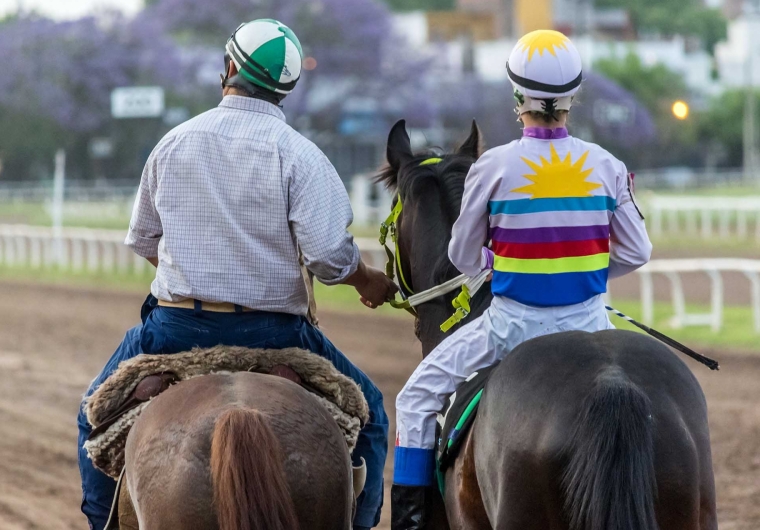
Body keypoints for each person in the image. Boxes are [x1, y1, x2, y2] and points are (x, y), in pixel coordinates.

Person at [76, 19, 398, 530]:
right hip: (278, 334)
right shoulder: (301, 155)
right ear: (286, 88)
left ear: (229, 67)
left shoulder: (173, 143)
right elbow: (330, 260)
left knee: (92, 411)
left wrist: (197, 272)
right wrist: (370, 283)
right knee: (373, 413)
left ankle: (99, 523)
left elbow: (144, 240)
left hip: (174, 331)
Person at [390, 29, 652, 529]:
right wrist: (591, 269)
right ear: (573, 97)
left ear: (517, 97)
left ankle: (411, 523)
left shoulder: (492, 167)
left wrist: (496, 263)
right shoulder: (607, 166)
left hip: (510, 327)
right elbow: (638, 250)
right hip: (594, 324)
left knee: (415, 398)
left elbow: (462, 255)